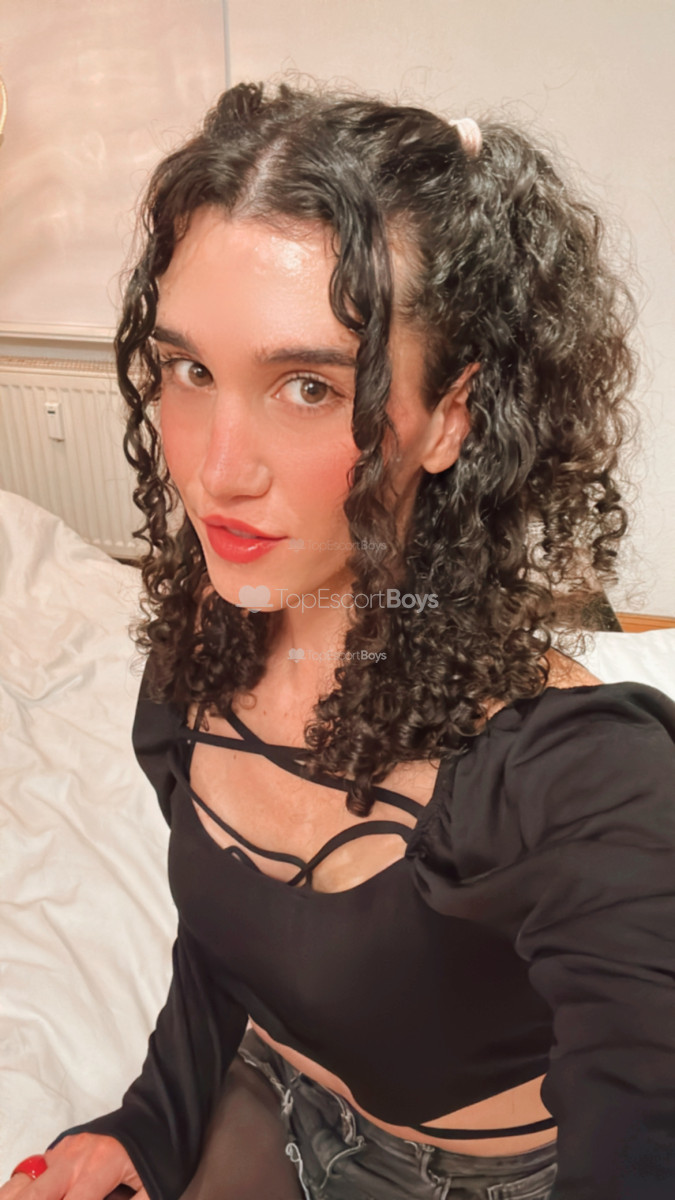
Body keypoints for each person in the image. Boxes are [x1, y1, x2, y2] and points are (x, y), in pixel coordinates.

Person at [4, 80, 675, 1200]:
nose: (217, 471)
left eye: (308, 386)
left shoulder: (585, 780)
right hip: (267, 1097)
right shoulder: (202, 650)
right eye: (190, 371)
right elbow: (223, 939)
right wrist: (148, 1124)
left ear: (451, 414)